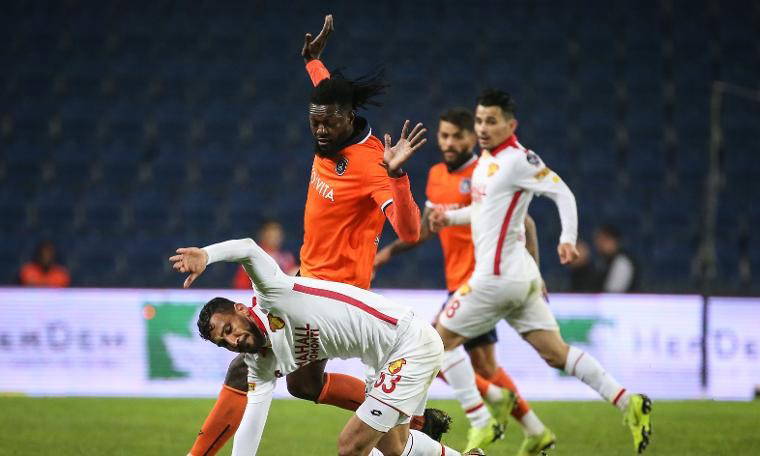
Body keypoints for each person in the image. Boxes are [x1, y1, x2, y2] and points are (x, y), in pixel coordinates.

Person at [187, 15, 435, 456]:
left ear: (348, 118)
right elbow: (326, 93)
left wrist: (398, 178)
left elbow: (411, 231)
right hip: (308, 277)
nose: (319, 130)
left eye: (327, 123)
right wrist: (313, 63)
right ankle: (407, 419)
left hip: (336, 289)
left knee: (247, 369)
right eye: (313, 122)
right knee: (303, 385)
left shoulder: (371, 166)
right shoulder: (331, 121)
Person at [429, 89, 653, 455]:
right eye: (480, 120)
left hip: (496, 279)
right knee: (556, 353)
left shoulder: (520, 160)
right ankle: (628, 402)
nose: (483, 128)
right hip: (521, 277)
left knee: (433, 344)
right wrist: (450, 218)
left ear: (510, 125)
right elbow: (484, 212)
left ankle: (483, 418)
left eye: (491, 121)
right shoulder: (487, 159)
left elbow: (563, 193)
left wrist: (566, 239)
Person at [170, 237, 479, 456]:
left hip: (408, 343)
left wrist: (206, 255)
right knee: (394, 447)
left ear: (241, 309)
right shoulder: (260, 363)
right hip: (383, 361)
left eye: (228, 329)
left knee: (351, 445)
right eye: (223, 342)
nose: (232, 340)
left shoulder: (273, 293)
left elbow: (248, 249)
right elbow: (253, 418)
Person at [374, 107, 552, 452]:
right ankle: (534, 429)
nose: (449, 142)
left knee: (430, 346)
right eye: (444, 135)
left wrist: (534, 271)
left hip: (482, 282)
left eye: (457, 136)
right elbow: (425, 229)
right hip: (457, 281)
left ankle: (481, 416)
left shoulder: (486, 173)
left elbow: (526, 223)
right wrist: (387, 254)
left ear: (472, 137)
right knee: (484, 366)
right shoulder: (436, 175)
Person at [233, 220, 298, 288]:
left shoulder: (287, 257)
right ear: (263, 234)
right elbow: (240, 285)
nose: (274, 238)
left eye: (277, 235)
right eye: (271, 234)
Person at [593, 224, 639, 293]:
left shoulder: (622, 262)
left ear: (614, 241)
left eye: (604, 240)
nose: (599, 244)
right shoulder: (603, 261)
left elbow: (613, 293)